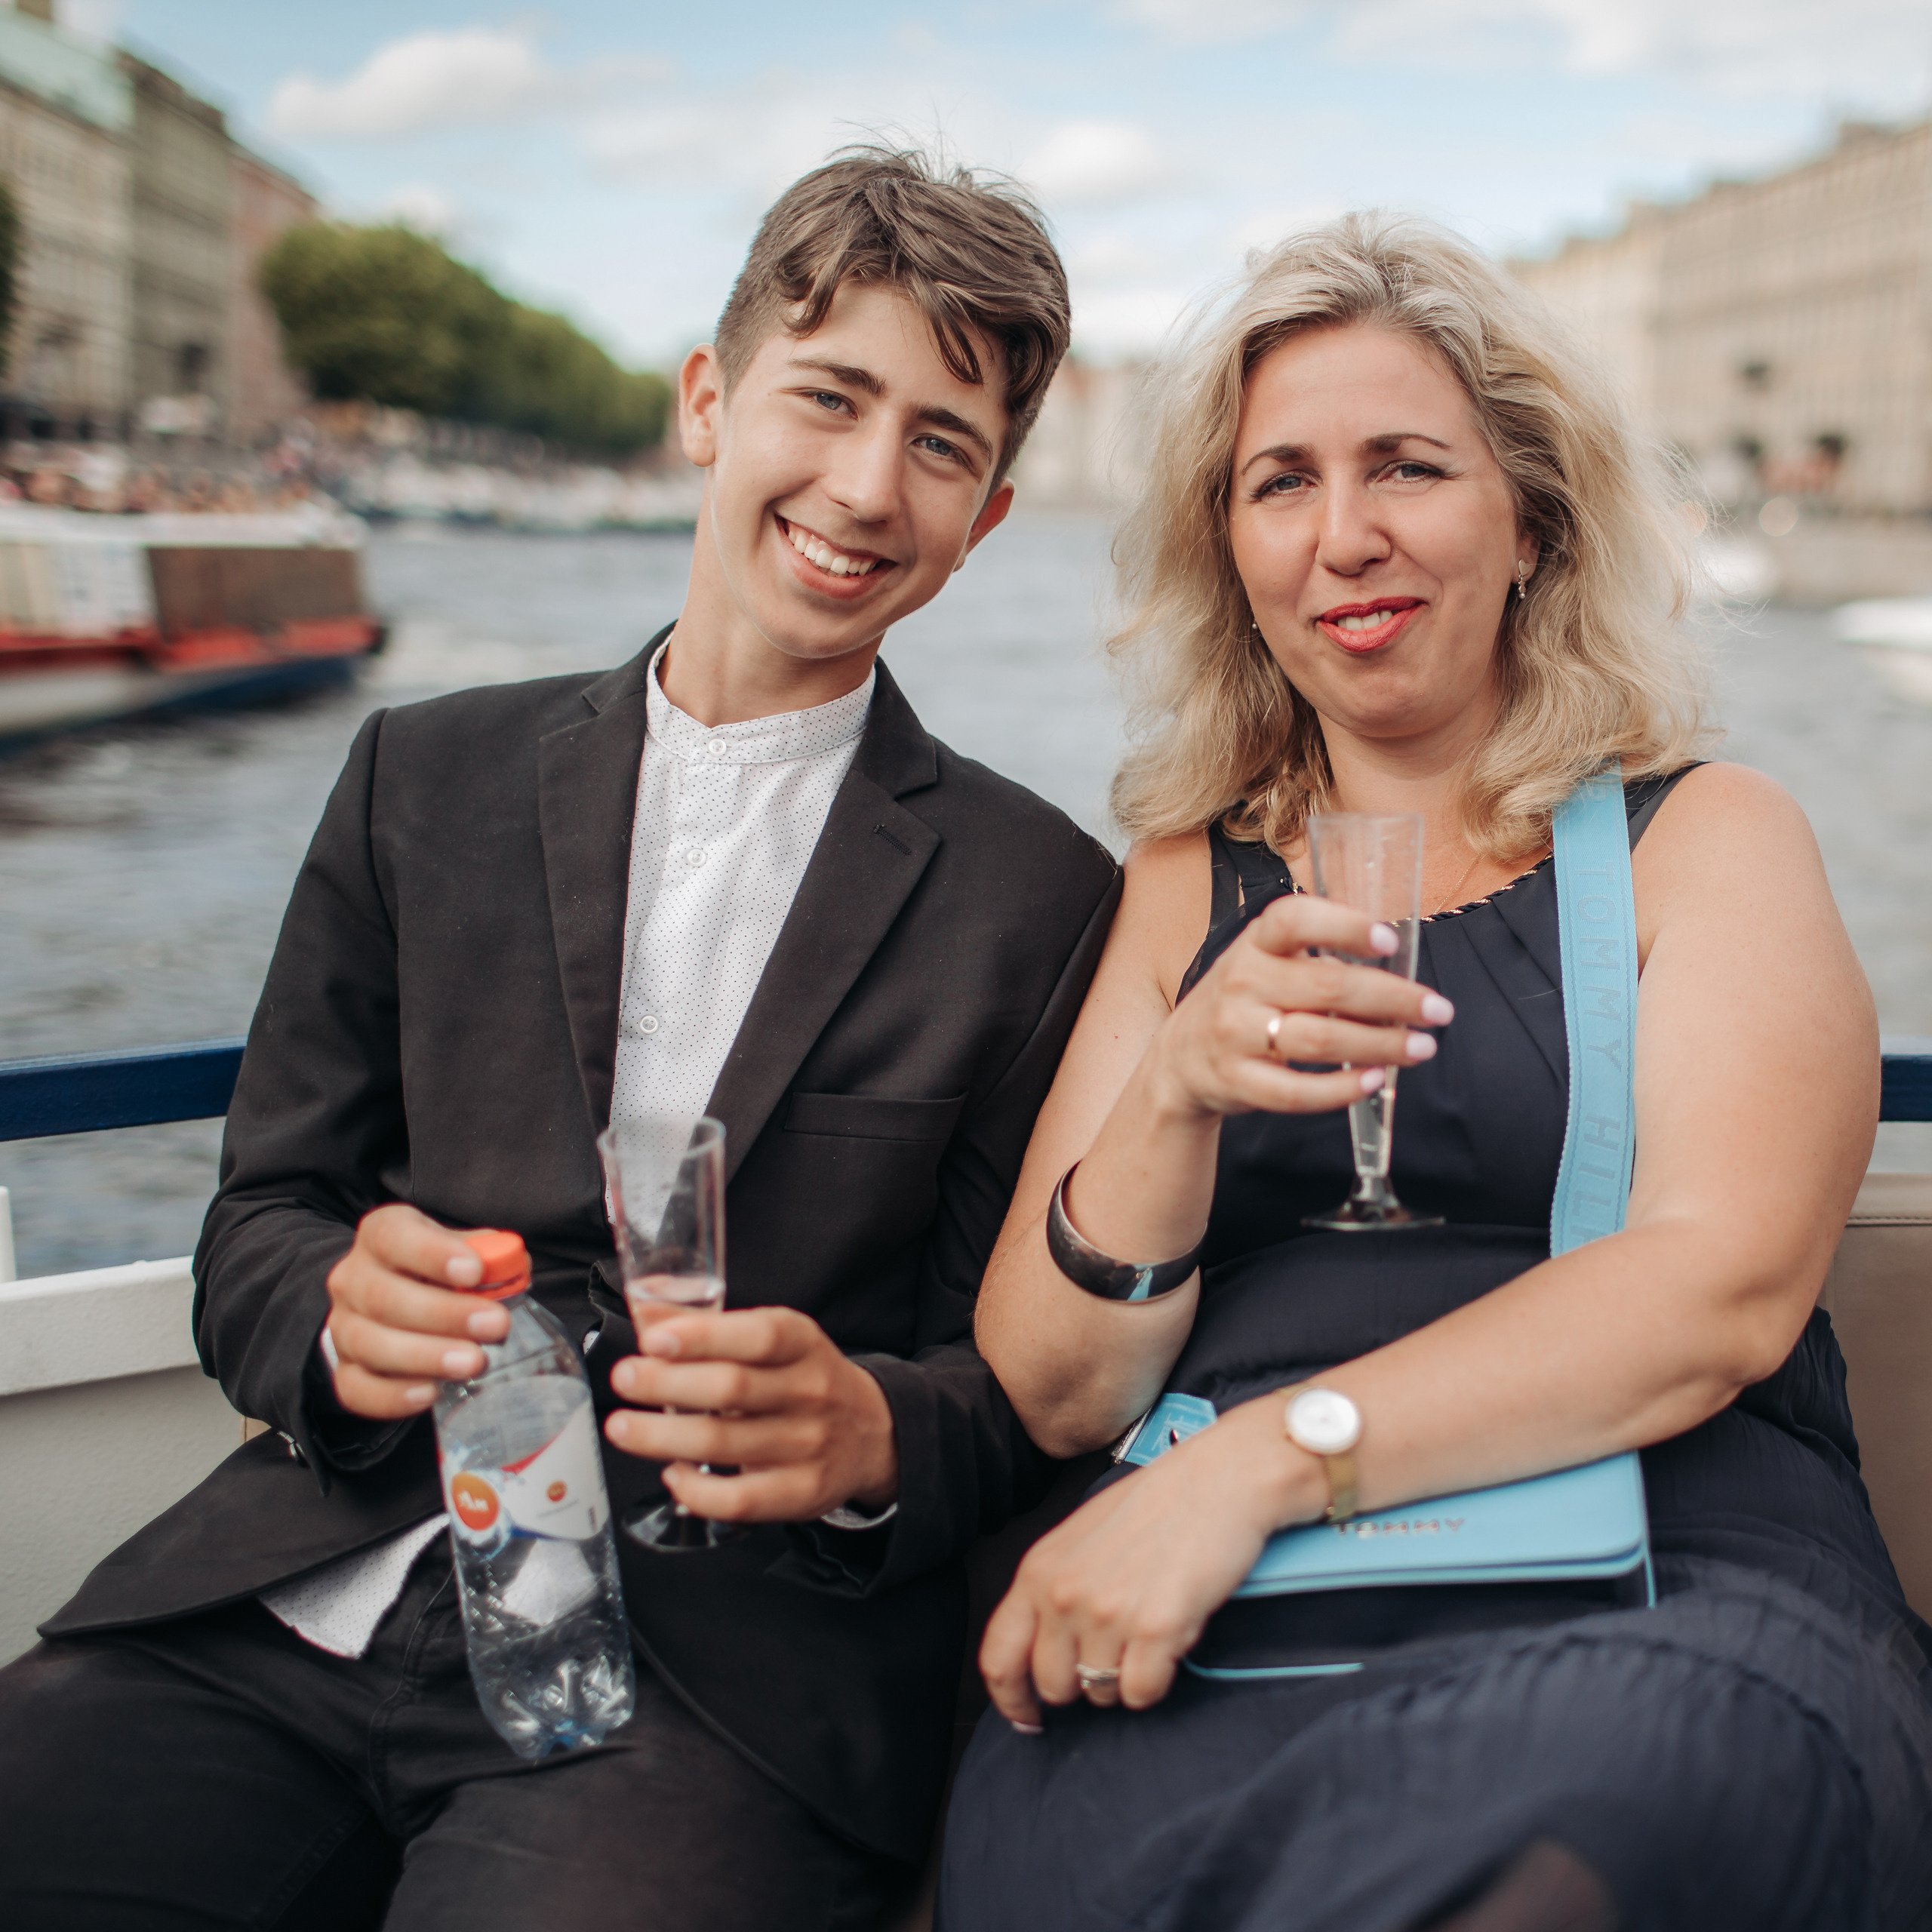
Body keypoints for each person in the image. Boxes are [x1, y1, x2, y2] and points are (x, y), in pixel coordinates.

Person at [0, 149, 1118, 1931]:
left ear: (983, 518)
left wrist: (867, 1430)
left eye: (939, 442)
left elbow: (1015, 1399)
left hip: (706, 1690)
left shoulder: (1045, 896)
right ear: (705, 400)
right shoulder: (416, 772)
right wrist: (335, 1314)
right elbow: (262, 1223)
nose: (863, 483)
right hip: (305, 1587)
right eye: (827, 398)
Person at [939, 214, 1932, 1932]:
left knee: (1639, 1798)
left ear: (1531, 519)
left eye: (1406, 465)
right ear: (1223, 547)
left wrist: (1255, 1463)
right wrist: (1169, 1093)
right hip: (1213, 1593)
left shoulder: (1706, 839)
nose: (1344, 536)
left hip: (1646, 1557)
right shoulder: (1181, 878)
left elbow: (1719, 1292)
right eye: (1280, 483)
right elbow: (1054, 1388)